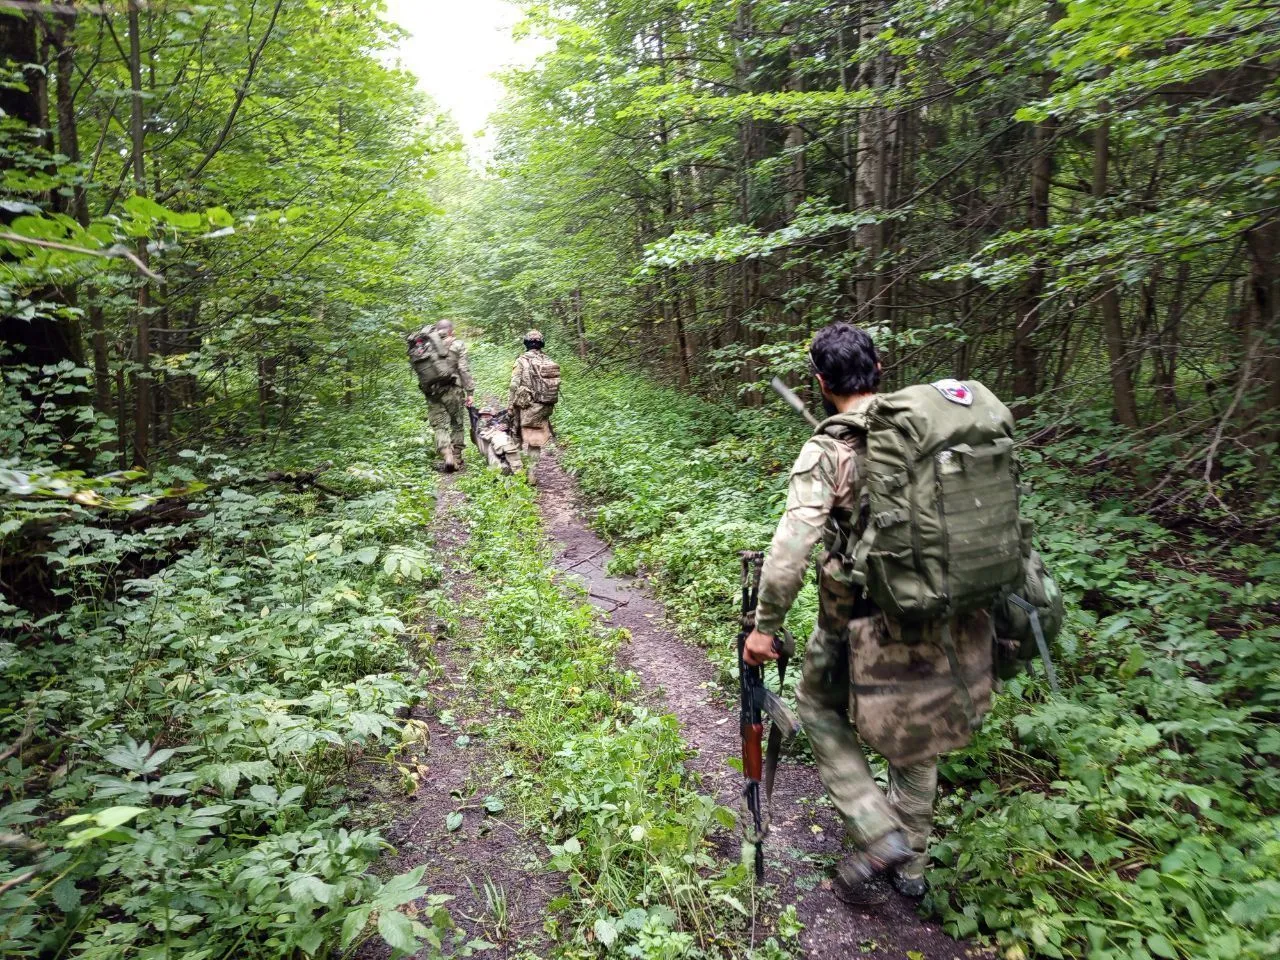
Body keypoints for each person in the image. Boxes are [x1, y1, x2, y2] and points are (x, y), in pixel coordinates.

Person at [742, 322, 996, 906]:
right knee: (917, 735)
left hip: (861, 614)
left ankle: (879, 832)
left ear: (820, 382)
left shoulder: (829, 449)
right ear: (879, 369)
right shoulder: (925, 430)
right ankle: (913, 868)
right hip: (945, 606)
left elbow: (790, 551)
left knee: (817, 706)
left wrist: (765, 628)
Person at [412, 319, 474, 472]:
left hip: (432, 392)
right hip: (453, 389)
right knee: (457, 423)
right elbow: (463, 369)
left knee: (439, 426)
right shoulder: (457, 344)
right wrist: (470, 392)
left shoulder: (425, 346)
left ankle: (447, 454)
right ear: (451, 330)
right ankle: (456, 457)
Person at [508, 329, 560, 486]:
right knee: (535, 440)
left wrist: (510, 406)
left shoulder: (521, 361)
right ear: (541, 343)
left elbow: (514, 385)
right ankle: (531, 472)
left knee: (515, 436)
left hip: (524, 405)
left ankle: (517, 471)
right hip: (543, 406)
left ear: (526, 343)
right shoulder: (548, 360)